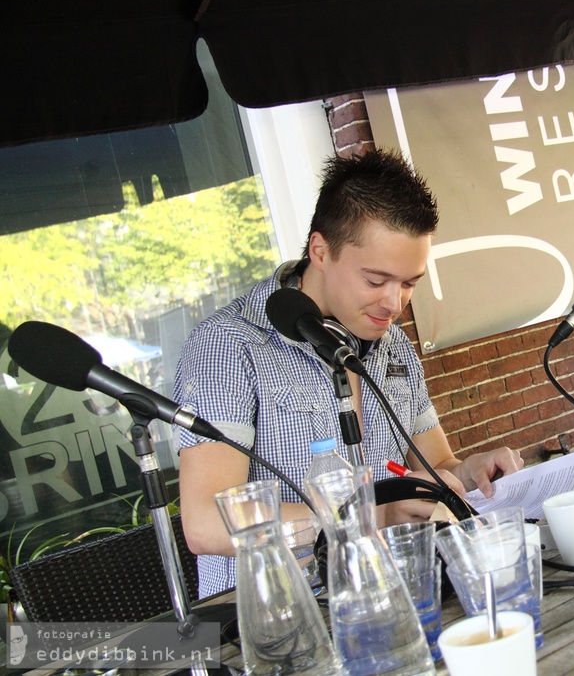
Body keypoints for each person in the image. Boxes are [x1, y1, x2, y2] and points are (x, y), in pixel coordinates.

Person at [174, 148, 523, 597]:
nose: (394, 304)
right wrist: (371, 516)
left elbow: (433, 465)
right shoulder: (228, 345)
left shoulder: (391, 341)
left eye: (410, 283)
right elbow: (206, 522)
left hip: (395, 593)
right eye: (376, 281)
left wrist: (472, 472)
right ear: (320, 250)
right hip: (280, 621)